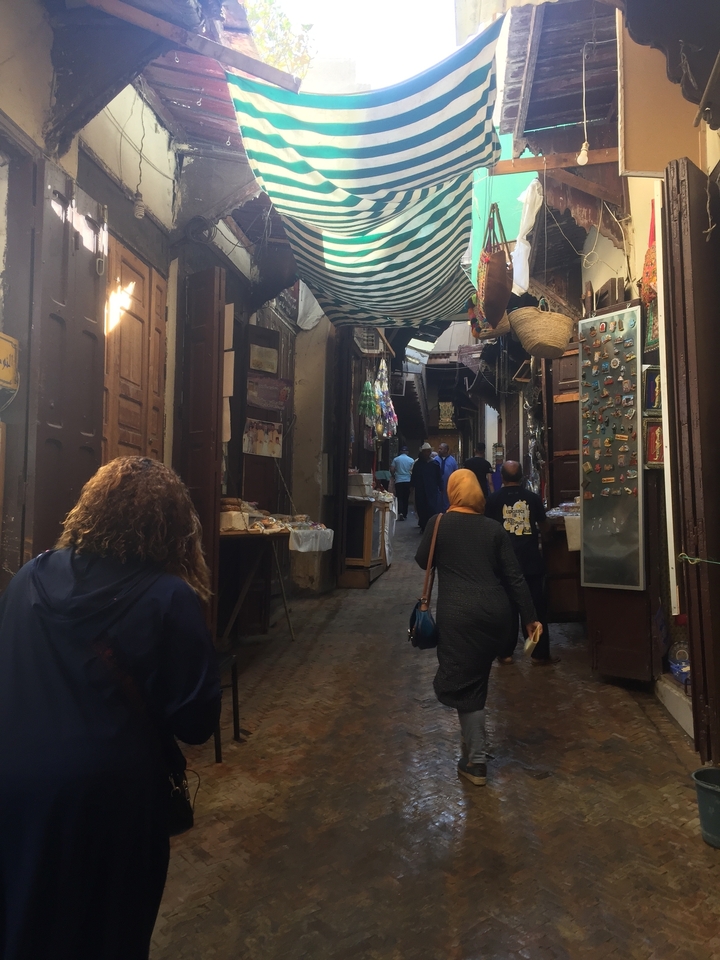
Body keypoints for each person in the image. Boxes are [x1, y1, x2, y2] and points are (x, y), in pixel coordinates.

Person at [0, 456, 221, 960]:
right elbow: (197, 722)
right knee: (106, 932)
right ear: (172, 526)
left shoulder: (26, 580)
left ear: (89, 509)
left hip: (15, 790)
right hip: (109, 803)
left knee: (25, 922)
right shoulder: (169, 597)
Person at [415, 469, 540, 787]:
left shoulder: (439, 523)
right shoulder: (493, 529)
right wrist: (529, 618)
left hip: (460, 618)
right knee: (477, 680)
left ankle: (477, 762)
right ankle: (472, 745)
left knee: (467, 689)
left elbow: (421, 561)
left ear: (452, 491)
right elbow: (514, 577)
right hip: (498, 618)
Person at [484, 460, 556, 665]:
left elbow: (487, 528)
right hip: (530, 561)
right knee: (535, 607)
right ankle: (539, 652)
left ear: (503, 478)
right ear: (522, 477)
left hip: (503, 564)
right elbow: (544, 526)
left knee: (506, 609)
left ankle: (505, 653)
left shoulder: (493, 500)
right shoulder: (532, 499)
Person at [410, 442, 443, 532]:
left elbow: (438, 477)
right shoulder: (418, 464)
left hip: (432, 490)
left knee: (431, 508)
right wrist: (412, 487)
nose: (426, 453)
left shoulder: (434, 464)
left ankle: (431, 526)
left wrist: (441, 487)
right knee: (421, 508)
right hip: (420, 489)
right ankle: (424, 525)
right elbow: (414, 476)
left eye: (428, 451)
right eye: (425, 451)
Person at [390, 445, 414, 520]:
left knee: (399, 497)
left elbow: (392, 469)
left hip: (398, 480)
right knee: (406, 498)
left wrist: (394, 475)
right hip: (407, 480)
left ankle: (400, 512)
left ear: (400, 452)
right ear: (407, 452)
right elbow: (413, 471)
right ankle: (404, 514)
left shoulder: (396, 459)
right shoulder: (411, 460)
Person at [434, 442, 458, 511]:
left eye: (441, 449)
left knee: (447, 500)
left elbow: (455, 472)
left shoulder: (452, 460)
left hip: (448, 483)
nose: (439, 450)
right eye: (439, 449)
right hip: (437, 484)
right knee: (438, 500)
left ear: (446, 450)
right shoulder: (435, 460)